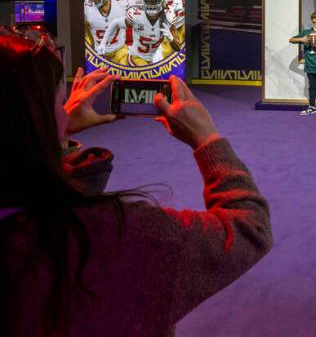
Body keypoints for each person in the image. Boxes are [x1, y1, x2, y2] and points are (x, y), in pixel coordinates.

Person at [0, 28, 273, 335]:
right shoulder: (115, 235)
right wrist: (206, 138)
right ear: (40, 119)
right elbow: (249, 229)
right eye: (60, 101)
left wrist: (53, 134)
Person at [84, 0, 129, 64]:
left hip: (119, 50)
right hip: (98, 53)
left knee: (124, 67)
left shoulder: (120, 5)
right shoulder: (88, 10)